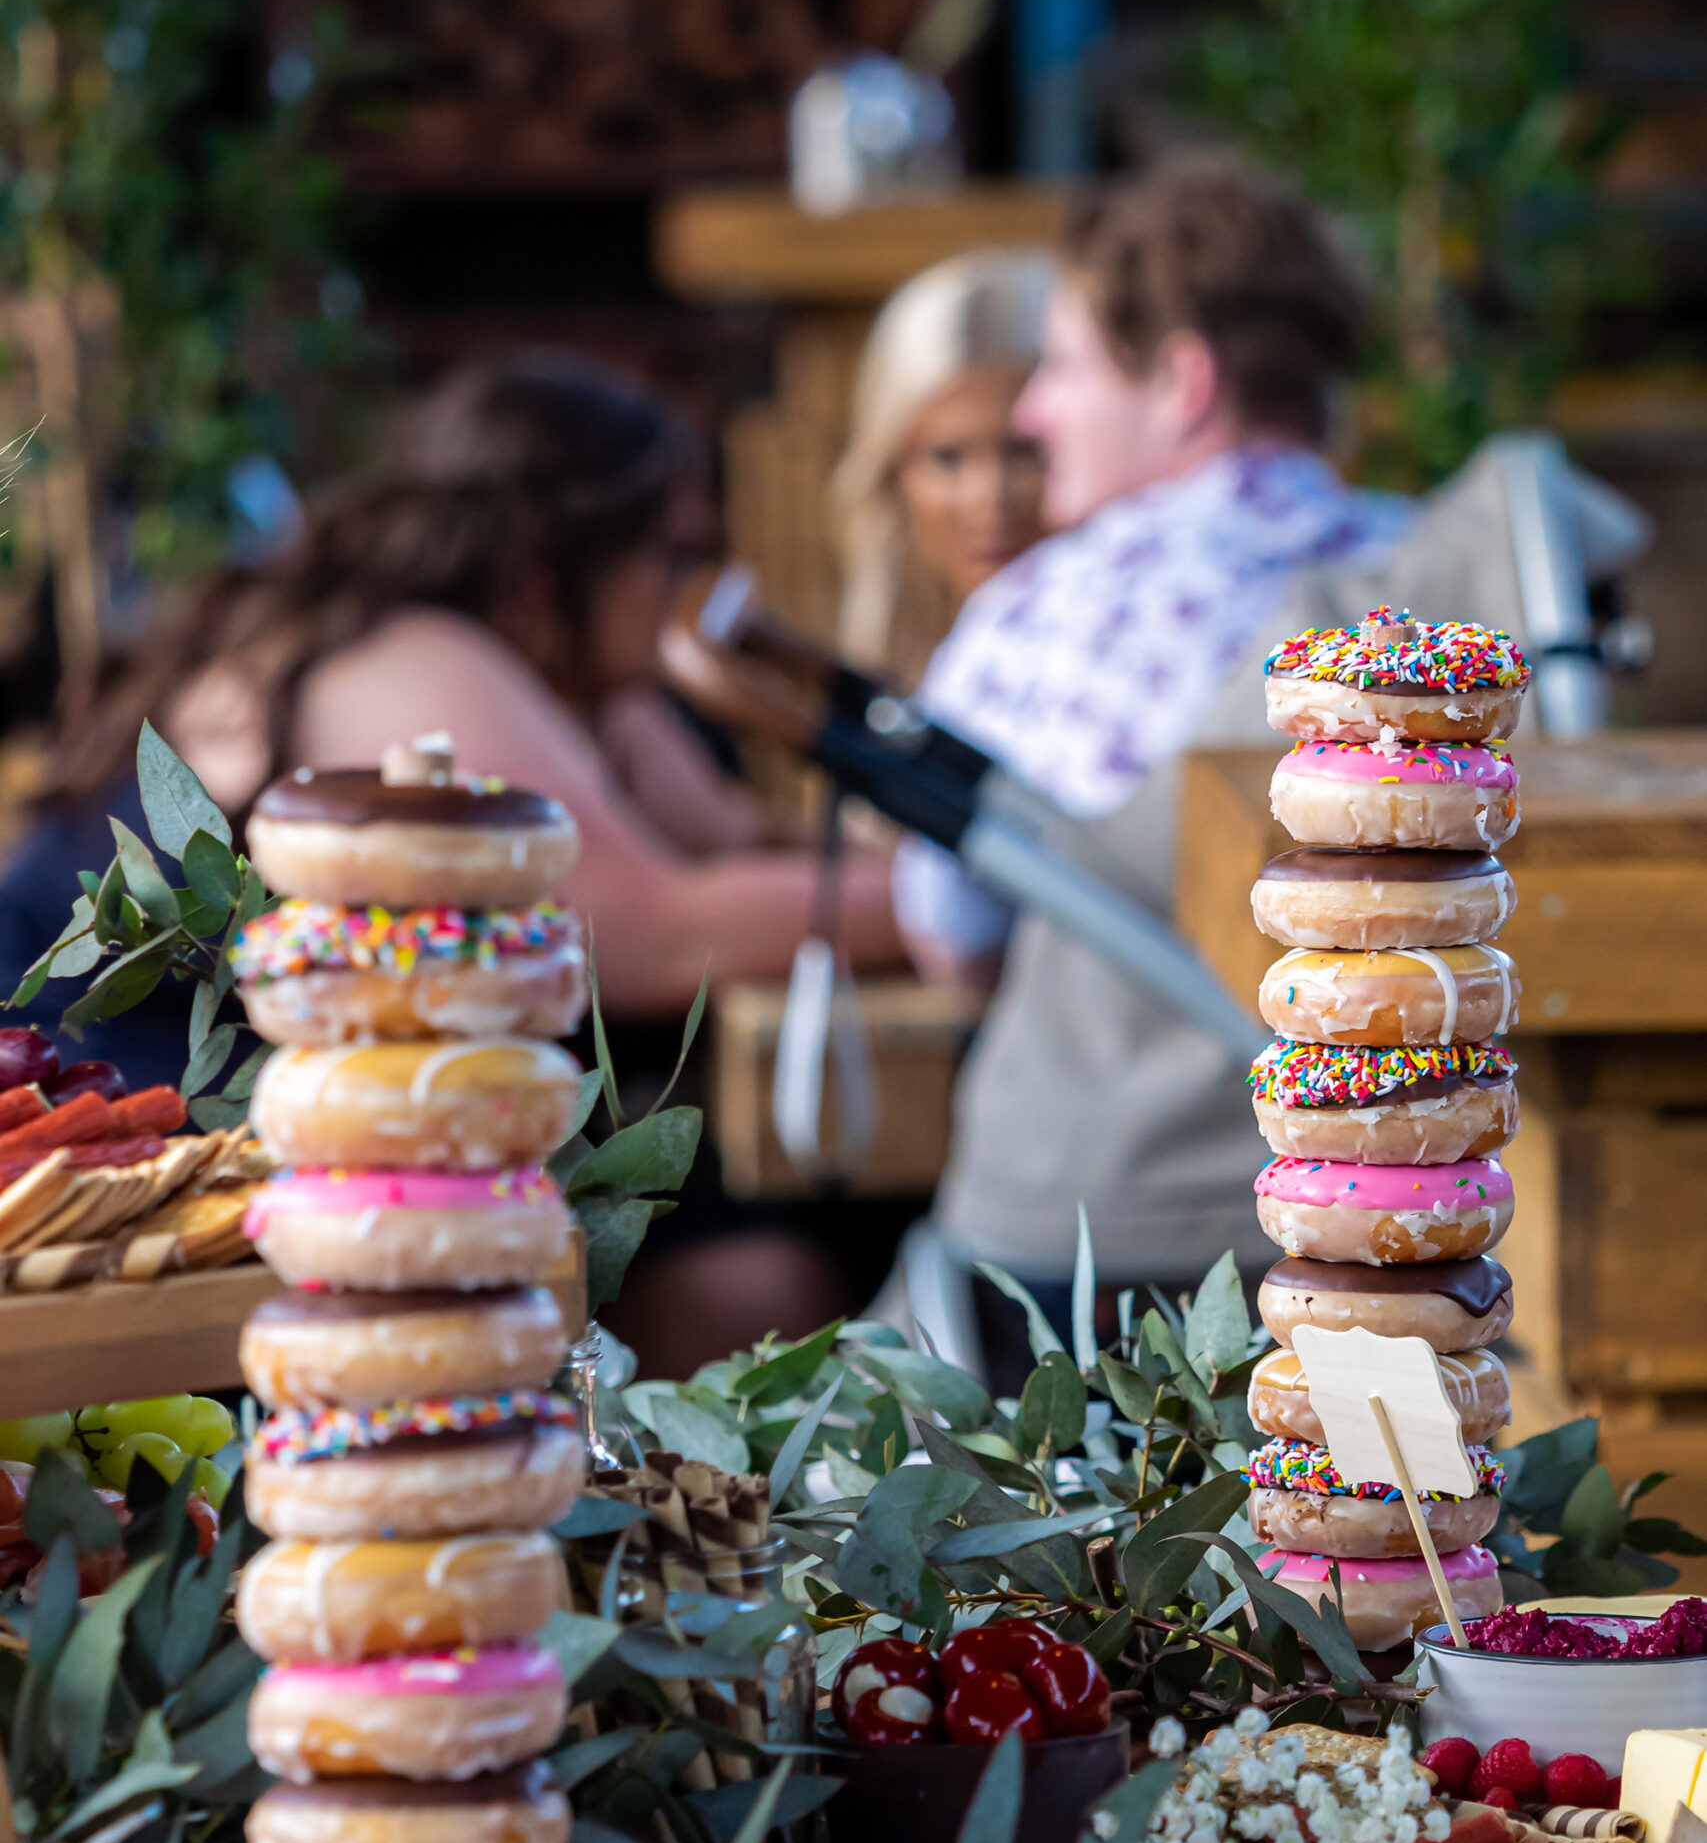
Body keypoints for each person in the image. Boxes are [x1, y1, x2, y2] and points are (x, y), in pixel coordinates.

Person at [0, 352, 904, 1367]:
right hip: (106, 1146)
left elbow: (729, 839)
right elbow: (643, 933)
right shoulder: (408, 660)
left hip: (309, 1136)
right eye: (672, 555)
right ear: (547, 564)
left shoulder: (564, 679)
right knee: (764, 1274)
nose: (690, 596)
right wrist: (968, 898)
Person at [891, 151, 1410, 1369]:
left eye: (1064, 364)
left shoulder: (1046, 618)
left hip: (1094, 1242)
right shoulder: (1435, 581)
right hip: (1395, 1216)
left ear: (1182, 381)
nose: (1031, 413)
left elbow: (949, 938)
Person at [830, 249, 1052, 685]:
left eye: (1024, 451)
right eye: (947, 457)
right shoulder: (870, 669)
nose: (990, 496)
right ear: (892, 474)